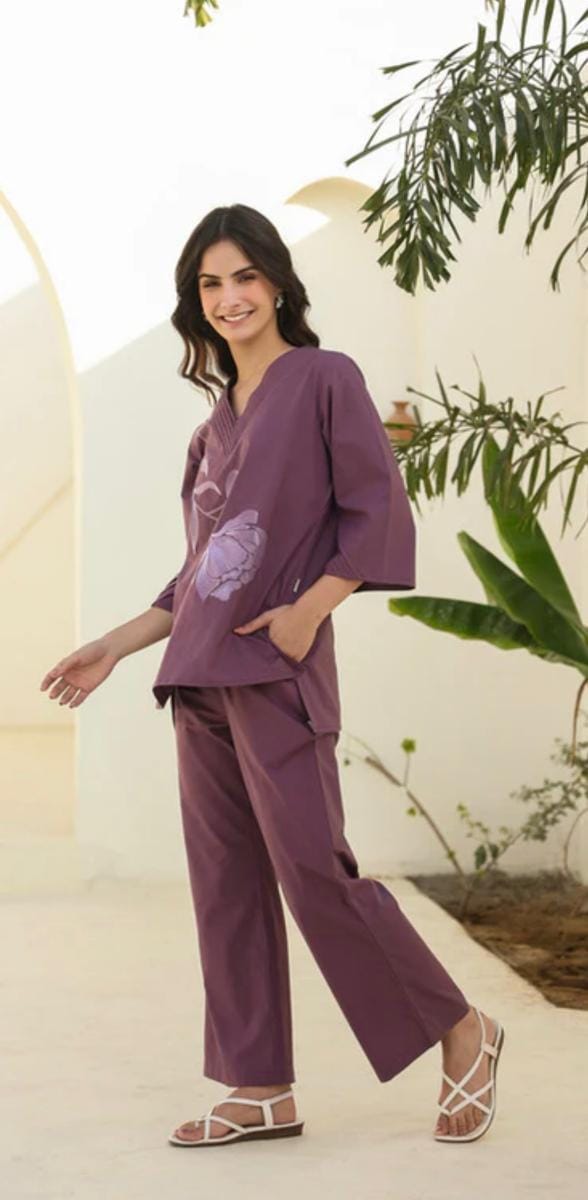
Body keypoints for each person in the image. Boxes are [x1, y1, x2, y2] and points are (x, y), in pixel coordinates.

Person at [40, 204, 504, 1148]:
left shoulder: (326, 379)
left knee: (315, 874)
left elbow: (377, 509)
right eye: (210, 284)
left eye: (244, 277)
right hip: (199, 682)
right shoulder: (211, 431)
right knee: (227, 884)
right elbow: (201, 574)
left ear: (279, 282)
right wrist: (117, 643)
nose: (229, 298)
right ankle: (258, 1088)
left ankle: (463, 1028)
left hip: (277, 672)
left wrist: (307, 612)